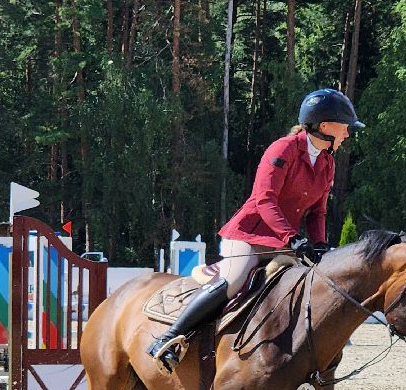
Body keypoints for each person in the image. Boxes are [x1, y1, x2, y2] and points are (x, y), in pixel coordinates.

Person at [146, 87, 363, 373]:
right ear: (324, 126)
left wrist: (320, 244)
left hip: (286, 243)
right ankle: (171, 336)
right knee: (234, 282)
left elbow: (318, 212)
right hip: (249, 235)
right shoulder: (283, 149)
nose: (347, 133)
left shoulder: (327, 162)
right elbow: (265, 200)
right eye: (345, 127)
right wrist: (292, 237)